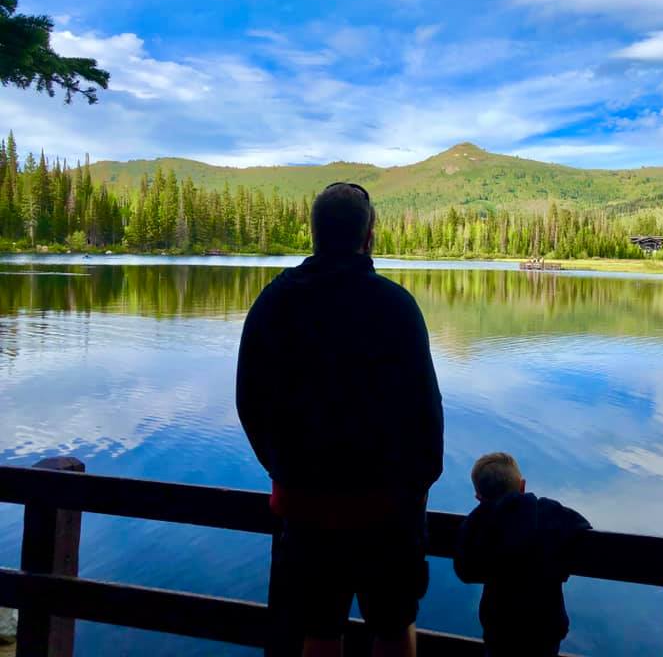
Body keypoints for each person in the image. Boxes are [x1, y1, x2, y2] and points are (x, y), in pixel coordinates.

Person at [236, 182, 444, 657]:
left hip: (306, 506)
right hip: (389, 509)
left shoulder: (274, 303)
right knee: (393, 629)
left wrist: (282, 470)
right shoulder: (396, 306)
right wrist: (417, 487)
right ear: (369, 236)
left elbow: (249, 401)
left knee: (319, 631)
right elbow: (426, 413)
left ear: (313, 234)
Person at [454, 453, 591, 657]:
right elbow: (583, 529)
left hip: (500, 629)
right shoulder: (548, 512)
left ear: (479, 497)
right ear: (522, 486)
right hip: (545, 628)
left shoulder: (479, 526)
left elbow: (465, 570)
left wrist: (481, 511)